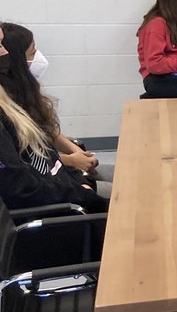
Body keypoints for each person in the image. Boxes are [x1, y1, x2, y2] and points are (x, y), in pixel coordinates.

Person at [0, 23, 107, 212]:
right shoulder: (7, 112)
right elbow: (23, 186)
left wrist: (77, 173)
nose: (4, 52)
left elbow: (48, 154)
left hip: (64, 186)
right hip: (61, 204)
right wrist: (79, 189)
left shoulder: (15, 100)